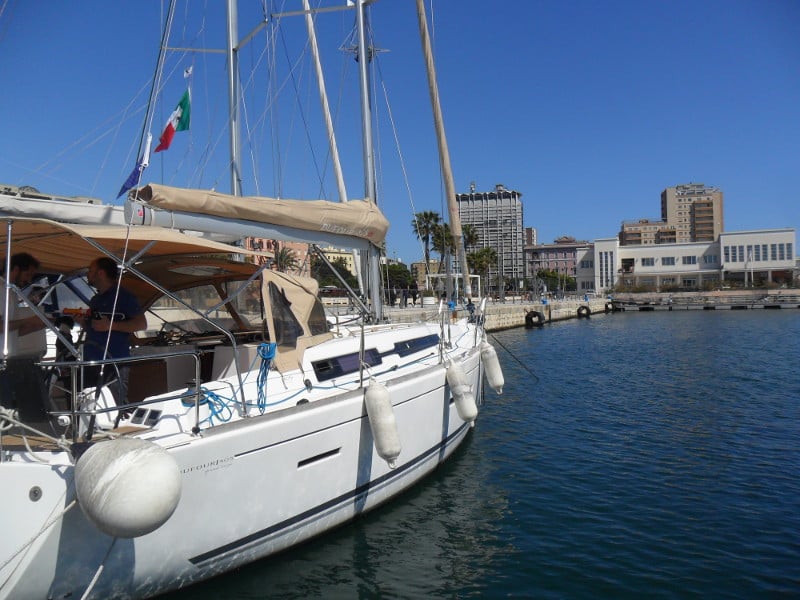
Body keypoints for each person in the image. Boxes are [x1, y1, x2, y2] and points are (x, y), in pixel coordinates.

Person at [80, 257, 147, 405]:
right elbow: (93, 328)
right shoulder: (95, 300)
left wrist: (111, 325)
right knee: (88, 406)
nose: (87, 274)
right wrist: (81, 322)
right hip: (91, 362)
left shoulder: (124, 297)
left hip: (115, 362)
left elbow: (141, 324)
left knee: (113, 407)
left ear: (101, 273)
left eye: (90, 270)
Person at [0, 252, 46, 358]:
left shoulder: (11, 291)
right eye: (28, 275)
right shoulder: (1, 289)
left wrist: (35, 326)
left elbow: (10, 333)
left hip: (9, 357)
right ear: (16, 270)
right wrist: (28, 321)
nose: (29, 280)